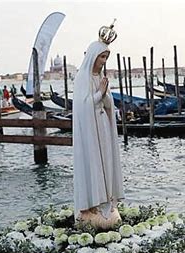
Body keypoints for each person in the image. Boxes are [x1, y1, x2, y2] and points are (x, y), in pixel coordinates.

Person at [73, 27, 124, 229]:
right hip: (90, 132)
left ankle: (107, 199)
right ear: (93, 57)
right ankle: (92, 204)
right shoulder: (82, 78)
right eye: (101, 57)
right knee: (93, 162)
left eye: (106, 57)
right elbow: (82, 107)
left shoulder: (101, 78)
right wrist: (99, 95)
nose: (103, 61)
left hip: (103, 127)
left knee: (107, 161)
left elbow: (108, 104)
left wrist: (106, 96)